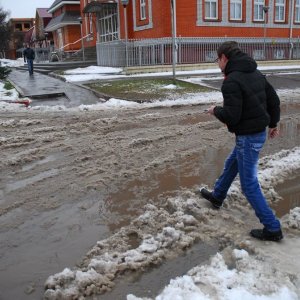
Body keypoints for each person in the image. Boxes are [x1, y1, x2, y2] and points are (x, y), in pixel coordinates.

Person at [198, 41, 283, 242]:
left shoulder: (231, 82)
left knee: (249, 185)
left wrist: (215, 110)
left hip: (248, 137)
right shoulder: (255, 73)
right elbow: (274, 100)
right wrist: (273, 123)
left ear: (225, 58)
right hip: (256, 133)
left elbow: (232, 117)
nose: (217, 63)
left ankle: (272, 228)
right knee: (232, 164)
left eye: (217, 59)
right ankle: (218, 196)